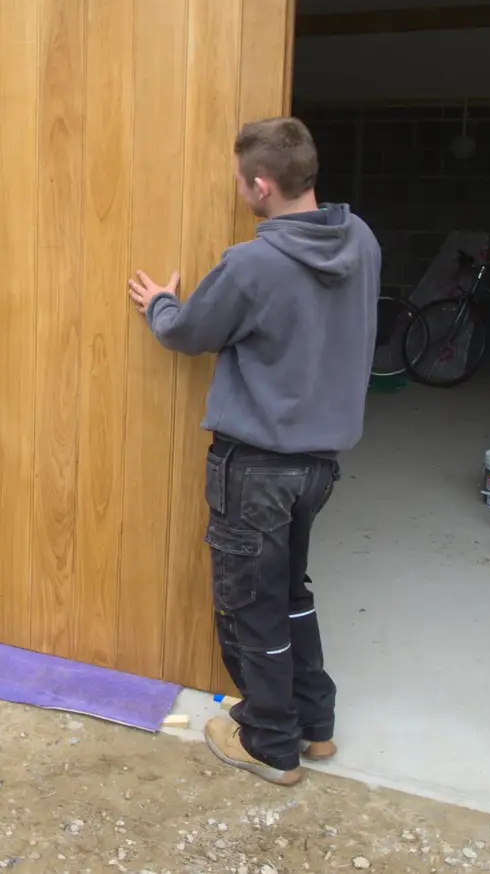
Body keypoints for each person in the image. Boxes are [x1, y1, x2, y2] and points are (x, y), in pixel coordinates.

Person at [127, 116, 379, 786]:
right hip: (319, 465)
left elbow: (189, 333)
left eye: (241, 182)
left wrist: (160, 305)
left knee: (250, 604)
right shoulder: (361, 240)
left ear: (262, 185)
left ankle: (270, 741)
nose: (239, 190)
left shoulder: (252, 263)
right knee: (290, 590)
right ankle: (314, 724)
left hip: (258, 466)